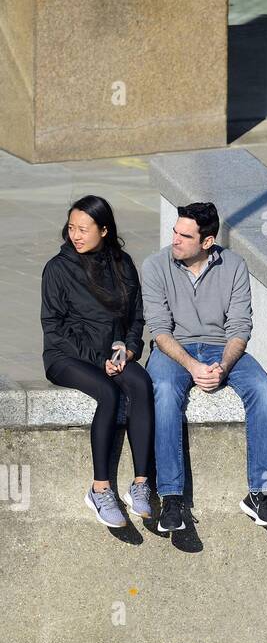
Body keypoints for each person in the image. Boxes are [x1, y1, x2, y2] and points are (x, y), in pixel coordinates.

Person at [142, 202, 267, 534]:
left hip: (222, 348)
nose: (174, 239)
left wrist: (221, 366)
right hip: (174, 349)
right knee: (163, 391)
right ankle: (172, 498)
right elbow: (160, 331)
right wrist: (193, 367)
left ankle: (261, 494)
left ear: (207, 242)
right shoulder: (155, 266)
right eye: (175, 231)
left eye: (184, 235)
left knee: (263, 388)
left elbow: (240, 328)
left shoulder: (233, 265)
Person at [41, 195, 153, 527]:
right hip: (67, 357)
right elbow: (54, 327)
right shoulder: (58, 269)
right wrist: (98, 359)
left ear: (104, 230)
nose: (75, 235)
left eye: (84, 229)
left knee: (142, 384)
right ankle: (100, 489)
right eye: (72, 228)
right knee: (109, 392)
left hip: (112, 352)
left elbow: (135, 317)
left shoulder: (122, 263)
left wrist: (125, 353)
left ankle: (141, 484)